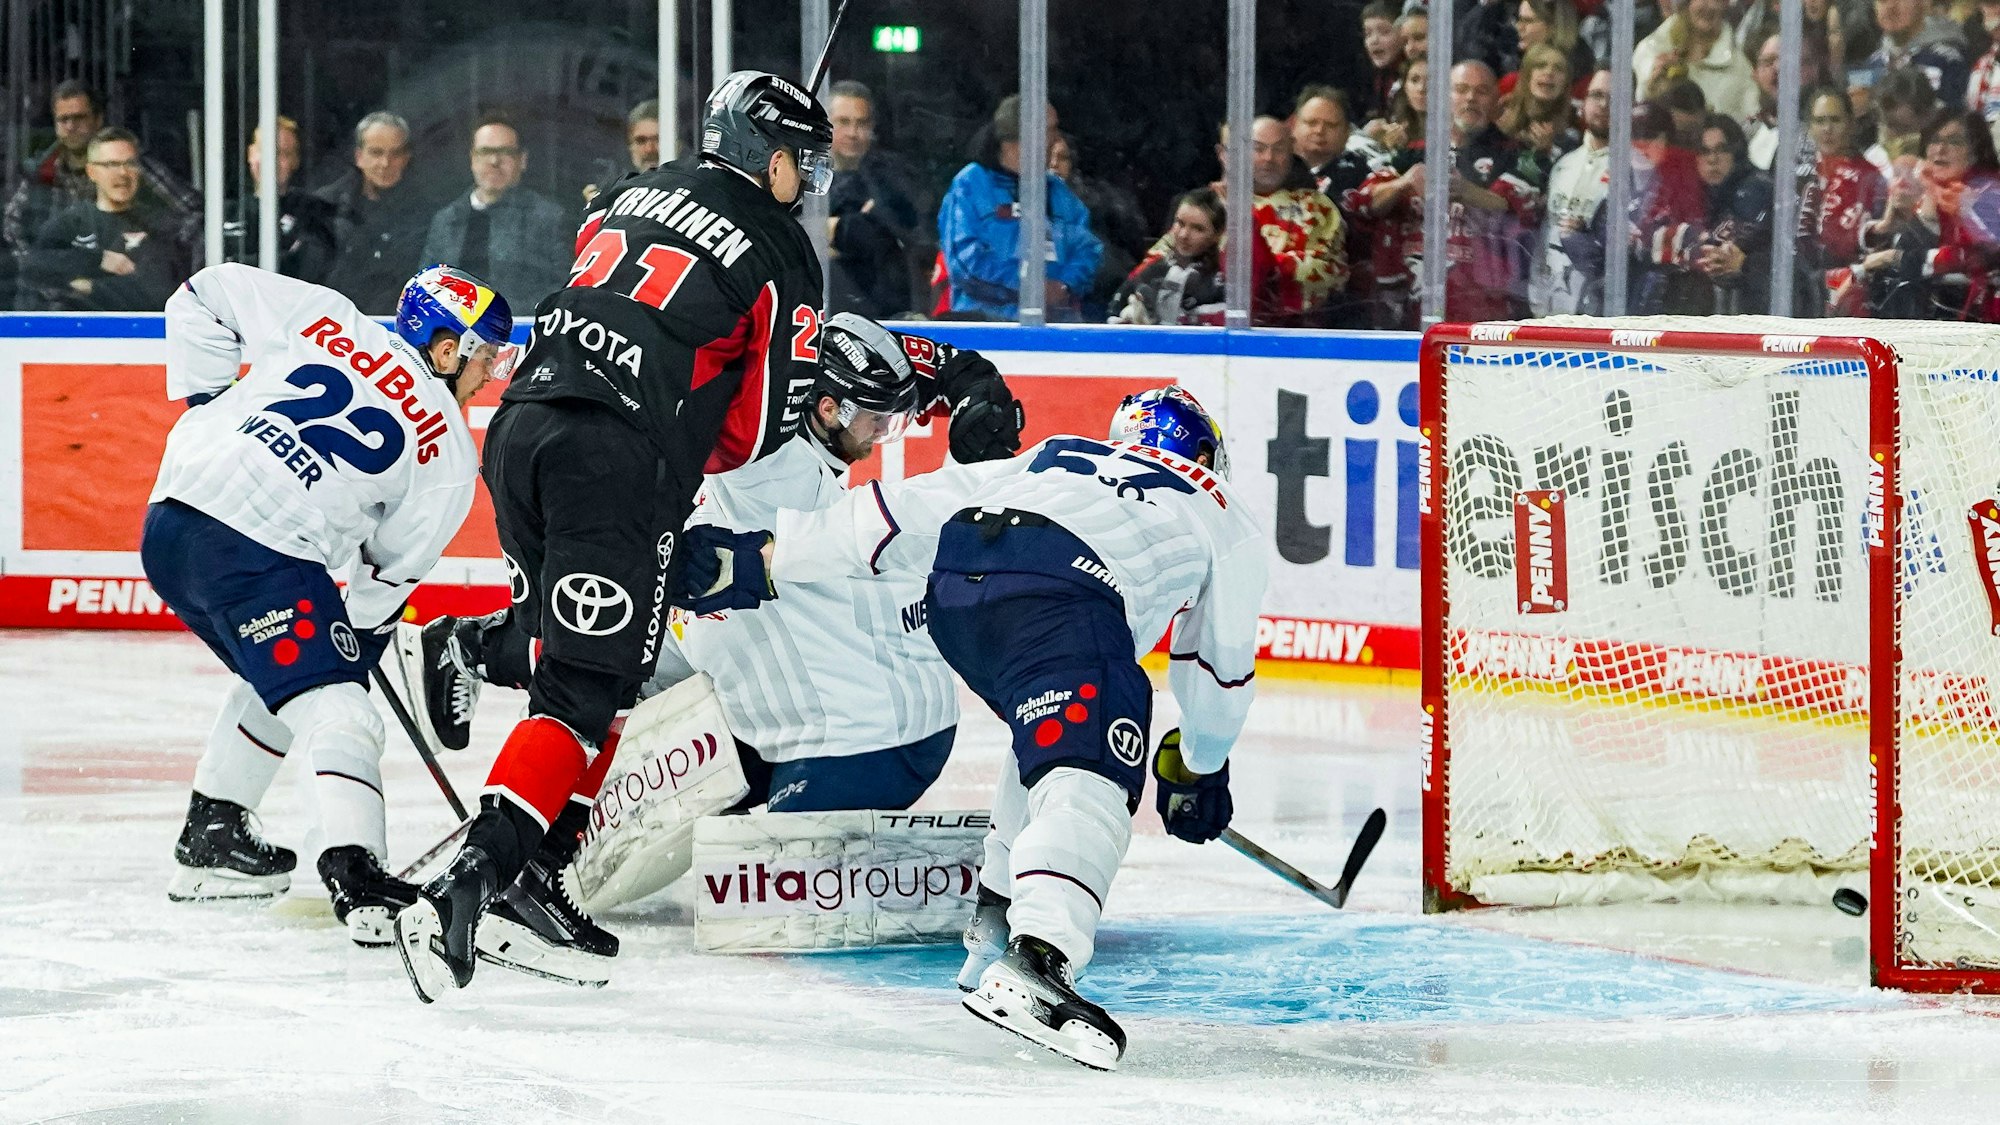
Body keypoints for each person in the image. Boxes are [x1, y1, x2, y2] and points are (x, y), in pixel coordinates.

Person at [390, 71, 841, 1005]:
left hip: (521, 424)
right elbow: (763, 424)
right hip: (614, 458)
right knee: (584, 687)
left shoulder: (638, 190)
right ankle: (475, 881)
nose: (810, 177)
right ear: (769, 157)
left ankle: (538, 870)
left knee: (599, 667)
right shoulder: (783, 248)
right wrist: (681, 444)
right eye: (803, 159)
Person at [716, 385, 1266, 1070]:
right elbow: (1217, 678)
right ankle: (1040, 958)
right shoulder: (1220, 505)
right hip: (1064, 588)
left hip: (958, 587)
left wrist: (762, 556)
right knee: (1089, 770)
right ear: (1207, 454)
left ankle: (994, 932)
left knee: (1050, 737)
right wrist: (1199, 769)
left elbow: (905, 509)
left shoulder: (1061, 454)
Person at [145, 262, 511, 947]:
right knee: (341, 707)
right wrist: (357, 648)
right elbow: (387, 576)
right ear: (445, 349)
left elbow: (202, 293)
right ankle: (359, 880)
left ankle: (214, 831)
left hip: (169, 521)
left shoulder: (328, 315)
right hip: (254, 552)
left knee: (291, 679)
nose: (491, 371)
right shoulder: (448, 452)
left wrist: (207, 405)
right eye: (485, 353)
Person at [1360, 61, 1545, 322]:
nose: (1471, 98)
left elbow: (1522, 209)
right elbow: (1366, 203)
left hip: (1487, 311)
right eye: (1461, 89)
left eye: (1481, 91)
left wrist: (1466, 191)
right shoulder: (1412, 154)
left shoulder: (1517, 155)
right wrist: (1403, 183)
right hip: (1409, 310)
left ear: (1497, 101)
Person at [4, 80, 200, 310]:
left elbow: (193, 211)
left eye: (79, 118)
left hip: (128, 305)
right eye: (63, 120)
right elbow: (18, 235)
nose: (71, 126)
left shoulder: (136, 169)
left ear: (97, 120)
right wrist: (61, 278)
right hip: (52, 308)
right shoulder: (41, 173)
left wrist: (175, 255)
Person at [936, 95, 1101, 321]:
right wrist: (1028, 289)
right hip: (989, 327)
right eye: (1050, 130)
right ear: (1023, 136)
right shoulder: (971, 185)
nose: (1056, 139)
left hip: (1054, 327)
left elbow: (1088, 250)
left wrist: (1065, 285)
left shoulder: (1059, 193)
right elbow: (964, 263)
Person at [22, 128, 191, 312]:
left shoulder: (160, 225)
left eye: (130, 163)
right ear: (91, 172)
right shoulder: (72, 222)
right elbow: (34, 266)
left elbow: (157, 293)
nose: (123, 173)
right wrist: (99, 260)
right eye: (111, 164)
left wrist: (88, 287)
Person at [419, 116, 572, 316]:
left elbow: (561, 292)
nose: (494, 161)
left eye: (505, 152)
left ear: (522, 160)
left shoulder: (549, 219)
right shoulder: (446, 221)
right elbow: (426, 288)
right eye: (485, 152)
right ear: (472, 160)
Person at [1863, 109, 2000, 320]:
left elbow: (1973, 256)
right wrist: (1888, 227)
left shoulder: (1988, 193)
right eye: (1934, 140)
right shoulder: (1940, 195)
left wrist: (1895, 258)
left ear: (1975, 151)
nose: (1940, 149)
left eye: (1954, 142)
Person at [824, 81, 925, 319]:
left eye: (861, 123)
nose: (853, 133)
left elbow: (893, 234)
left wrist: (836, 230)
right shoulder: (802, 177)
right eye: (843, 122)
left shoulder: (893, 175)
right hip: (826, 315)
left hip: (887, 313)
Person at [318, 112, 430, 315]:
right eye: (376, 153)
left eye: (395, 154)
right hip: (334, 320)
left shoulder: (426, 212)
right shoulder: (327, 206)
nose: (385, 163)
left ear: (406, 158)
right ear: (359, 156)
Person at [1530, 68, 1613, 315]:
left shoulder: (1632, 169)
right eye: (1596, 95)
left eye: (1615, 98)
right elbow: (1545, 240)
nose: (1604, 105)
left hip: (1600, 316)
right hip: (1549, 313)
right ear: (1583, 102)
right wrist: (1537, 303)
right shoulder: (1563, 164)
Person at [219, 117, 337, 284]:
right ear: (251, 154)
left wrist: (237, 263)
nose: (272, 161)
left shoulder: (313, 213)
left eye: (283, 153)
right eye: (265, 150)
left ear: (295, 161)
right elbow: (213, 270)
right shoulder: (225, 212)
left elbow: (302, 269)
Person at [1051, 133, 1152, 323]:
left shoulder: (1098, 203)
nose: (1054, 164)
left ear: (1073, 164)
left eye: (1062, 158)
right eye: (1048, 155)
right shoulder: (1019, 203)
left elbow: (1130, 244)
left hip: (1100, 298)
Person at [1805, 87, 1886, 316]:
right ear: (1810, 127)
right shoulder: (1798, 174)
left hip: (1847, 288)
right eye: (1820, 121)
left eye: (1835, 120)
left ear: (1851, 124)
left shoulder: (1870, 178)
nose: (1827, 129)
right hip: (1800, 283)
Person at [1688, 113, 1774, 314]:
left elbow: (1729, 252)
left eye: (1721, 150)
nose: (1712, 159)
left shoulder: (1756, 188)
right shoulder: (1696, 194)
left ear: (1737, 152)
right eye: (1704, 151)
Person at [1109, 188, 1227, 325]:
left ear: (1217, 234)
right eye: (1180, 223)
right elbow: (1113, 313)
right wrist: (1131, 318)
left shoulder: (1224, 280)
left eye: (1197, 228)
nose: (1184, 235)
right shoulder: (1152, 269)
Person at [1632, 0, 1759, 121]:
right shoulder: (1651, 49)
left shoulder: (1740, 68)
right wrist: (1653, 86)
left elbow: (1752, 120)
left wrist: (1723, 129)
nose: (1710, 6)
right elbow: (1638, 109)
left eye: (1717, 0)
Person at [1856, 0, 1971, 109]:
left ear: (1924, 2)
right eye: (1883, 0)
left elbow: (1952, 116)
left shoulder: (1948, 61)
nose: (1890, 6)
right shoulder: (1872, 63)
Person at [1499, 43, 1582, 172]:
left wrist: (1548, 151)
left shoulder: (1573, 134)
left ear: (1565, 83)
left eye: (1558, 68)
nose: (1549, 72)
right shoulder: (1498, 119)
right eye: (1540, 65)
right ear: (1527, 76)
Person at [583, 100, 663, 208]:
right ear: (630, 146)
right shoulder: (614, 189)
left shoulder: (687, 186)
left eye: (657, 139)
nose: (649, 149)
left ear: (678, 144)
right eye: (641, 141)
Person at [1359, 1, 1407, 123]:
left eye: (1384, 32)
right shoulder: (1373, 78)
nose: (1374, 40)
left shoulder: (1410, 76)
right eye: (1368, 34)